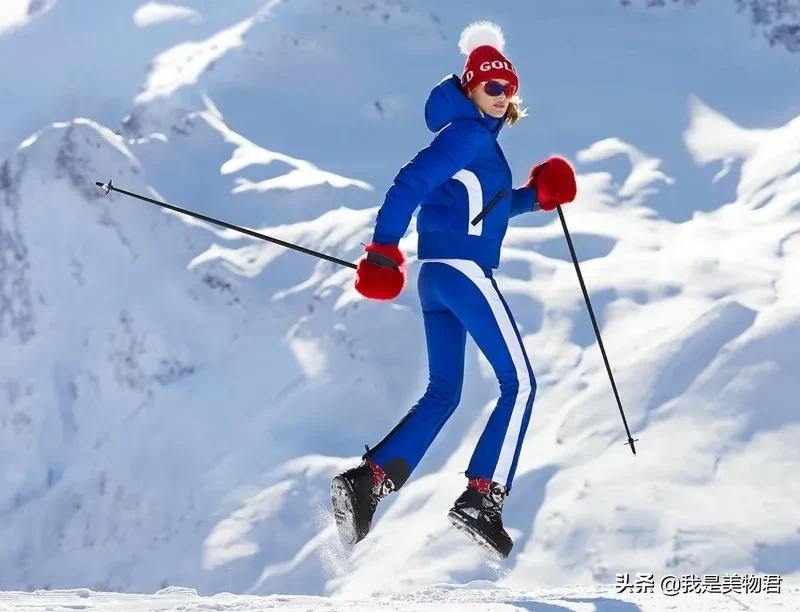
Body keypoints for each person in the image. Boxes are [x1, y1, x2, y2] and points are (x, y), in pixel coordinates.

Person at [330, 21, 577, 559]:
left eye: (507, 87)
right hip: (463, 274)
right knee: (522, 384)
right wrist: (381, 250)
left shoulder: (474, 143)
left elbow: (482, 211)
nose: (500, 94)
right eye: (490, 86)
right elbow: (408, 184)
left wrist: (535, 197)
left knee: (444, 393)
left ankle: (368, 483)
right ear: (469, 86)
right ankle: (483, 497)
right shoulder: (466, 135)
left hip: (437, 278)